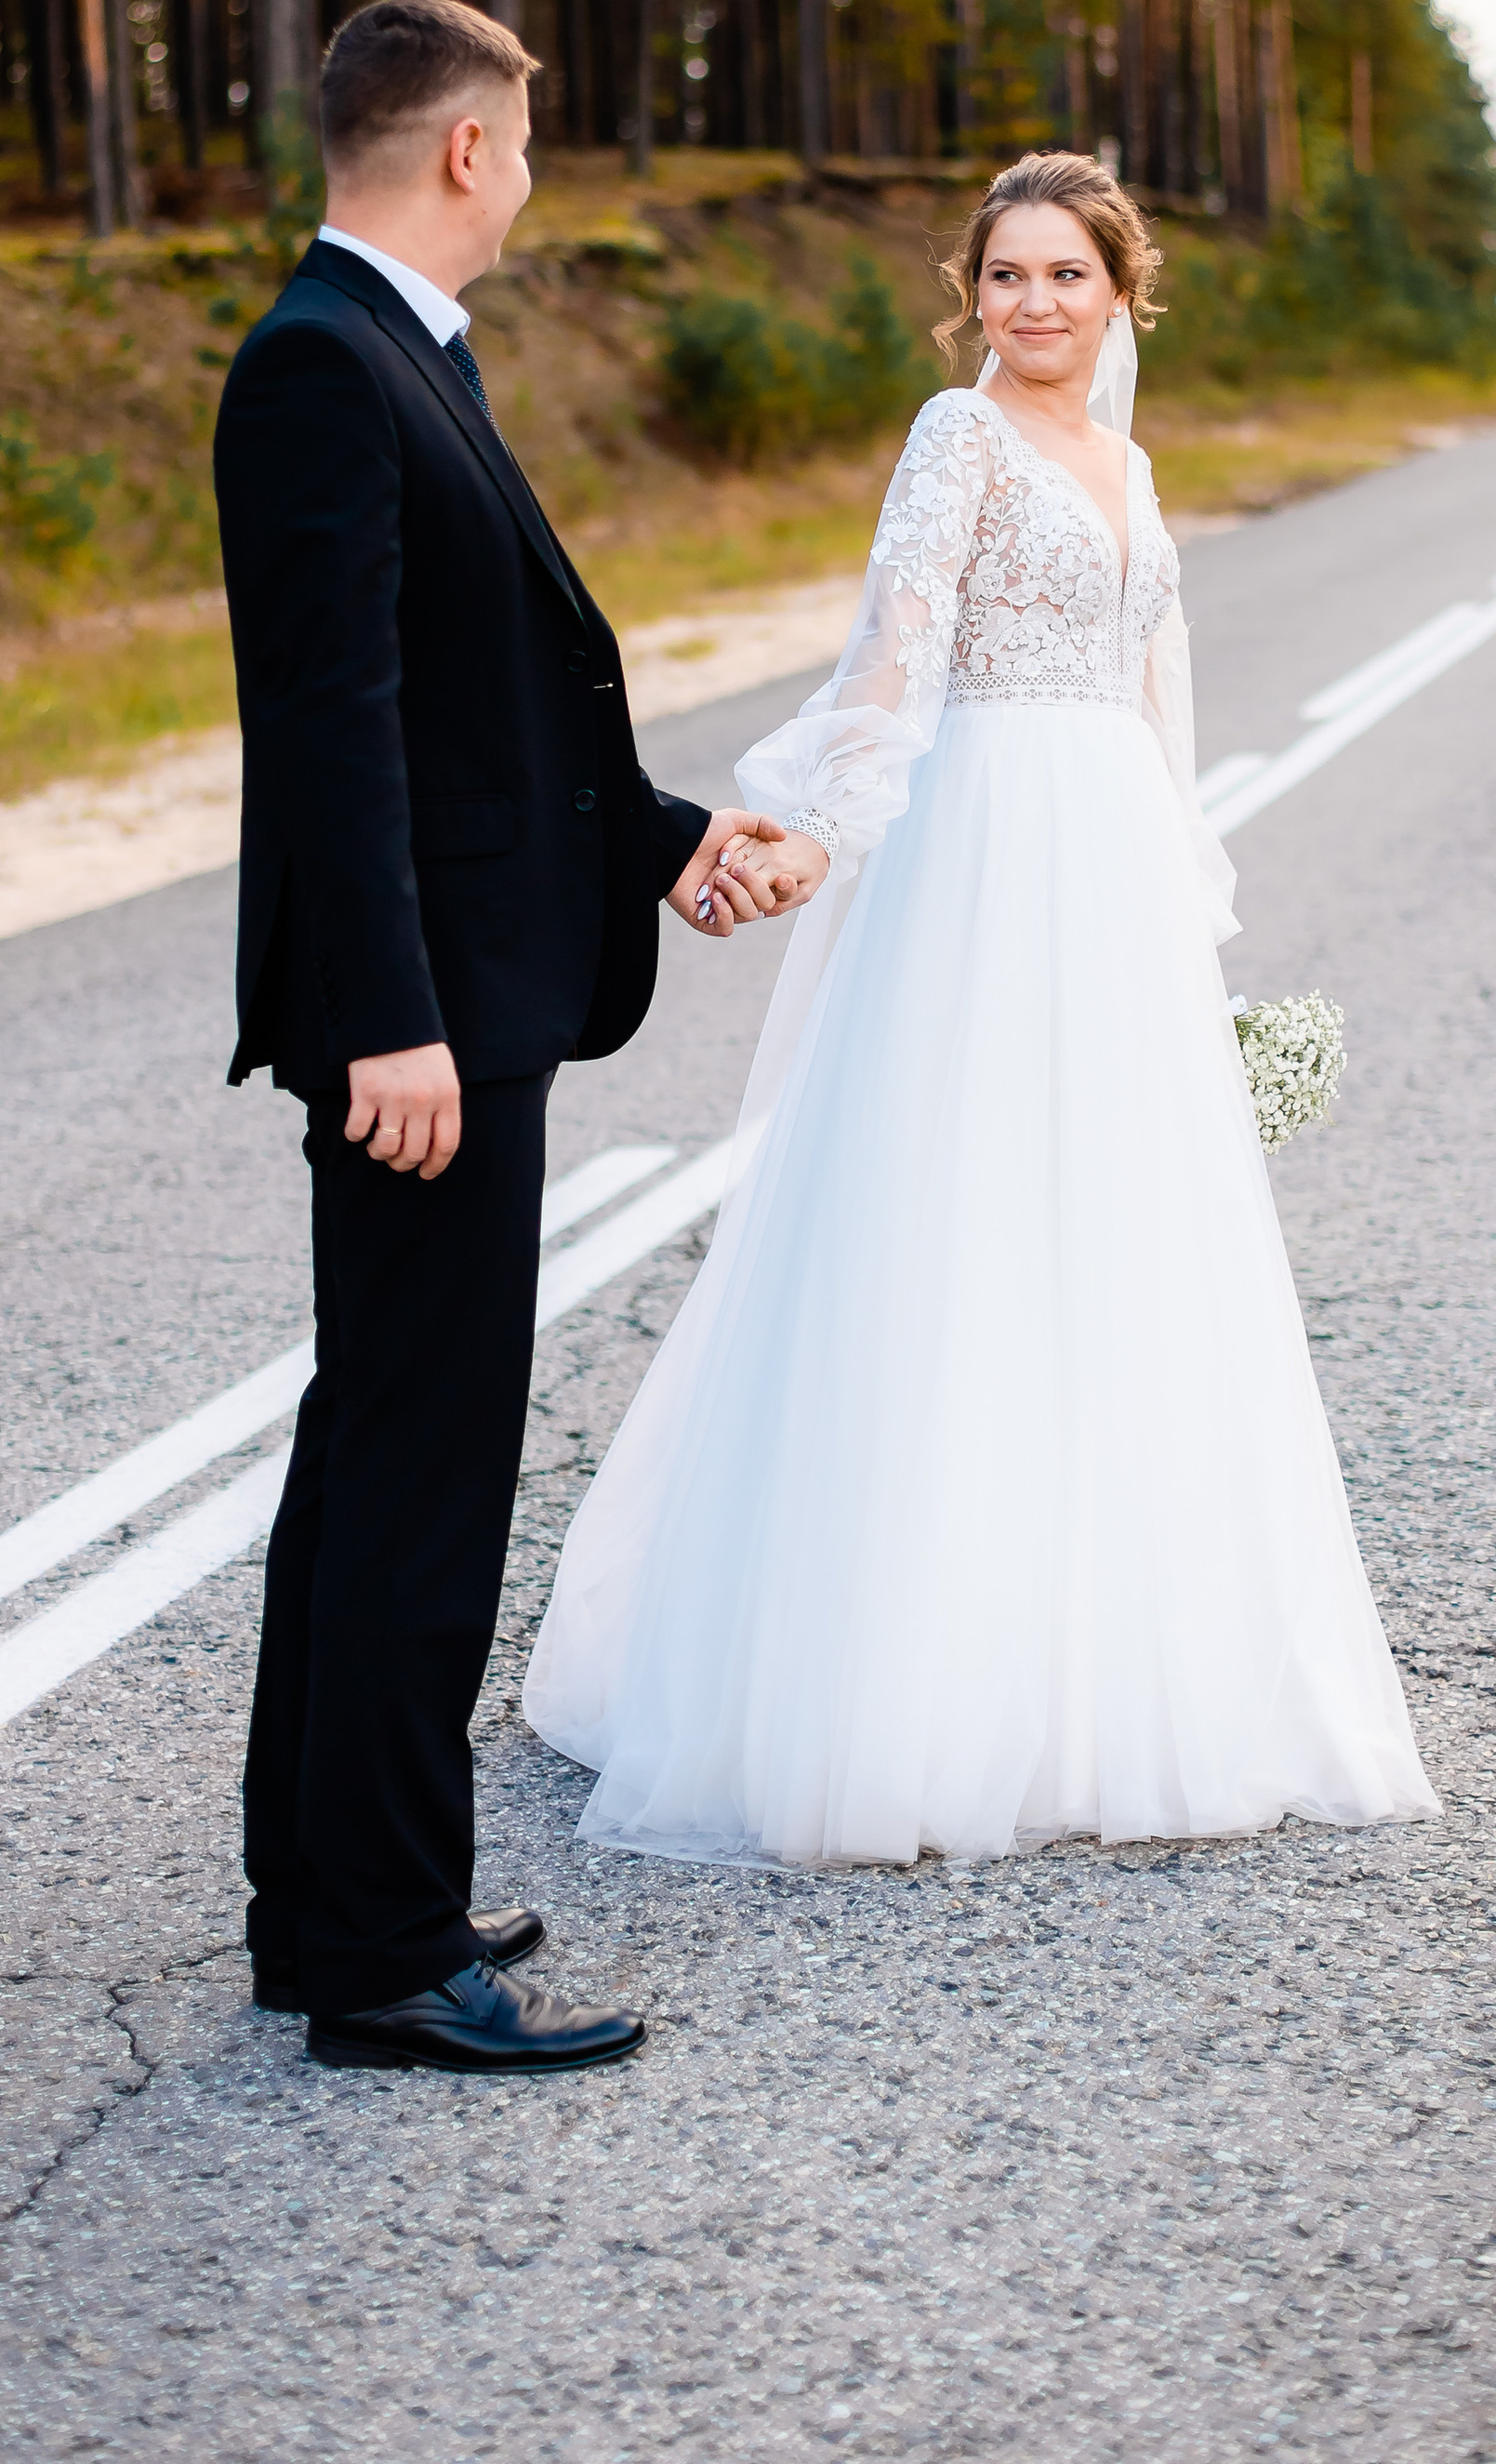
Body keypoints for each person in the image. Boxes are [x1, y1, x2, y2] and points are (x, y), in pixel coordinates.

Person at [523, 151, 1439, 1866]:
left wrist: (1189, 902)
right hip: (981, 849)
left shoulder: (1133, 463)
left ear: (1123, 293)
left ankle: (1112, 1675)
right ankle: (899, 1687)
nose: (1033, 305)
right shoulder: (958, 441)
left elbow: (1160, 697)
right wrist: (812, 829)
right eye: (1005, 276)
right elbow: (899, 646)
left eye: (1066, 277)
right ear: (973, 295)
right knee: (950, 1221)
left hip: (1109, 873)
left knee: (1113, 1241)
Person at [214, 0, 792, 2073]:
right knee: (418, 1468)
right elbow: (333, 732)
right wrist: (386, 1021)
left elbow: (482, 712)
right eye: (525, 147)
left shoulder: (399, 356)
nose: (529, 181)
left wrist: (662, 842)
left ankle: (342, 1897)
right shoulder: (319, 365)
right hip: (420, 1031)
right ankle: (376, 1955)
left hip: (468, 996)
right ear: (465, 151)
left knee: (383, 1444)